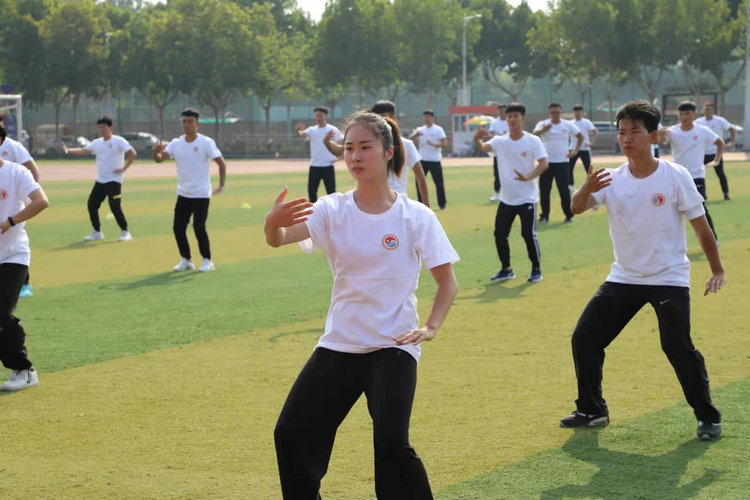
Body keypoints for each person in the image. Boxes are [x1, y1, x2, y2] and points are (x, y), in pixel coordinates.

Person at [266, 111, 459, 498]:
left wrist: (431, 327)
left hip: (394, 345)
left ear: (389, 152)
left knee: (391, 445)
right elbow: (280, 237)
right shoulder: (332, 209)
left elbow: (447, 283)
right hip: (341, 343)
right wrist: (272, 222)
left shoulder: (415, 216)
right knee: (292, 433)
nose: (354, 156)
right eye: (349, 148)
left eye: (365, 147)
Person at [562, 100, 724, 442]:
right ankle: (592, 410)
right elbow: (575, 208)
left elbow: (701, 226)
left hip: (668, 277)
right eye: (622, 132)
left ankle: (707, 417)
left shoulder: (674, 175)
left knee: (676, 346)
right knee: (585, 338)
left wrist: (717, 269)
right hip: (624, 277)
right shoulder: (609, 179)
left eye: (635, 131)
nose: (627, 138)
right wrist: (585, 189)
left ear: (653, 136)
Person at [474, 102, 548, 283]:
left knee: (528, 234)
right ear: (506, 119)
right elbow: (483, 148)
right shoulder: (500, 141)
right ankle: (507, 269)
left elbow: (544, 163)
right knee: (499, 234)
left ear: (523, 118)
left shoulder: (533, 140)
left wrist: (529, 176)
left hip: (527, 198)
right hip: (507, 199)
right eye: (509, 116)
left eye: (516, 116)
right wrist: (477, 139)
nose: (512, 120)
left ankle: (536, 269)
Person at [152, 108, 227, 272]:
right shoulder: (176, 143)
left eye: (190, 122)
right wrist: (155, 152)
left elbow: (221, 163)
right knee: (178, 228)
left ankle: (207, 260)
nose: (187, 125)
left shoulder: (205, 142)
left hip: (201, 194)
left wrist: (221, 185)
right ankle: (186, 259)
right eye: (184, 121)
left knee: (199, 227)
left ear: (197, 124)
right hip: (183, 194)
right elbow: (160, 159)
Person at [0, 155, 49, 391]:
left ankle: (24, 370)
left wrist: (10, 221)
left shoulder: (16, 173)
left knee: (1, 313)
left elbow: (41, 201)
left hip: (13, 256)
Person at [323, 99, 430, 206]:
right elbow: (338, 150)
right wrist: (327, 142)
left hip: (398, 202)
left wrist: (426, 206)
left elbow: (420, 176)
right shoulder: (364, 143)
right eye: (377, 117)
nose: (381, 122)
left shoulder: (406, 144)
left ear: (393, 118)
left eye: (383, 116)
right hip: (370, 200)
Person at [63, 116, 136, 243]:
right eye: (99, 127)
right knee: (92, 205)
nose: (101, 130)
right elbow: (83, 150)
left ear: (111, 127)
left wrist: (124, 168)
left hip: (114, 180)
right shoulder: (97, 142)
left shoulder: (119, 141)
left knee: (115, 206)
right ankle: (97, 232)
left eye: (104, 127)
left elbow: (132, 153)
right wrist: (68, 150)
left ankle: (125, 232)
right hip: (101, 180)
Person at [659, 101, 724, 240]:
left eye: (687, 113)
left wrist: (717, 160)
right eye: (681, 114)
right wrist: (659, 135)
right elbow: (658, 141)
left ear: (694, 114)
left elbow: (720, 143)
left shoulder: (702, 130)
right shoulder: (672, 131)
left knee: (701, 211)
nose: (684, 117)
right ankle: (672, 243)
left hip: (696, 176)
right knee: (671, 211)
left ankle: (713, 240)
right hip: (675, 177)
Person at [0, 121, 40, 298]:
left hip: (13, 250)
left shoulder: (14, 148)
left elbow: (31, 168)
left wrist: (30, 190)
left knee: (3, 315)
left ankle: (25, 282)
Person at [533, 103, 583, 222]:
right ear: (549, 113)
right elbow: (535, 133)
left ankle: (568, 215)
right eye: (553, 112)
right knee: (545, 190)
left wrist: (575, 151)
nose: (555, 115)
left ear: (561, 113)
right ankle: (545, 215)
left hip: (562, 162)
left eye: (557, 112)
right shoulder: (543, 123)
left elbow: (580, 136)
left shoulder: (567, 124)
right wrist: (544, 130)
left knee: (564, 190)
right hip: (546, 163)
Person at [295, 106, 342, 203]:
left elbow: (342, 143)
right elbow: (301, 134)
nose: (318, 118)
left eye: (320, 115)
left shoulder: (332, 130)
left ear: (326, 116)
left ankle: (333, 214)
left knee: (331, 193)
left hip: (328, 166)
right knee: (312, 193)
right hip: (314, 166)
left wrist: (339, 157)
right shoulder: (312, 130)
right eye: (316, 116)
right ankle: (314, 214)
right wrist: (297, 130)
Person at [695, 102, 735, 200]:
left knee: (720, 174)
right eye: (705, 108)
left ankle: (726, 193)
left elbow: (731, 129)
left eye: (709, 109)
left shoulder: (720, 121)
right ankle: (702, 195)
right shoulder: (699, 122)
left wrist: (732, 141)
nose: (707, 110)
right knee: (699, 174)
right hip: (703, 153)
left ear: (713, 110)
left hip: (716, 152)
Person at [410, 109, 448, 209]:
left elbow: (444, 143)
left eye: (428, 117)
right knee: (419, 181)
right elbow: (409, 141)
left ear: (432, 118)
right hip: (422, 160)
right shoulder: (420, 129)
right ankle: (421, 204)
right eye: (425, 117)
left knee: (439, 183)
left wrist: (434, 144)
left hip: (435, 160)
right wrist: (415, 134)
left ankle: (442, 204)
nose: (426, 119)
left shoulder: (438, 130)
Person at [567, 105, 598, 189]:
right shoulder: (570, 123)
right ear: (574, 113)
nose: (578, 113)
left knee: (588, 168)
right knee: (569, 167)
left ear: (582, 112)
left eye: (579, 111)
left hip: (584, 148)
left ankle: (592, 184)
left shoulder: (586, 122)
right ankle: (571, 186)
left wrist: (591, 143)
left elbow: (595, 132)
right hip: (573, 148)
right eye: (576, 111)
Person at [488, 103, 509, 201]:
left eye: (504, 110)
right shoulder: (495, 123)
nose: (502, 112)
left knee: (509, 173)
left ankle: (508, 193)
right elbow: (491, 133)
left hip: (510, 152)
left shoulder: (510, 121)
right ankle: (497, 193)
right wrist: (498, 137)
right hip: (498, 152)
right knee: (497, 173)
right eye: (500, 111)